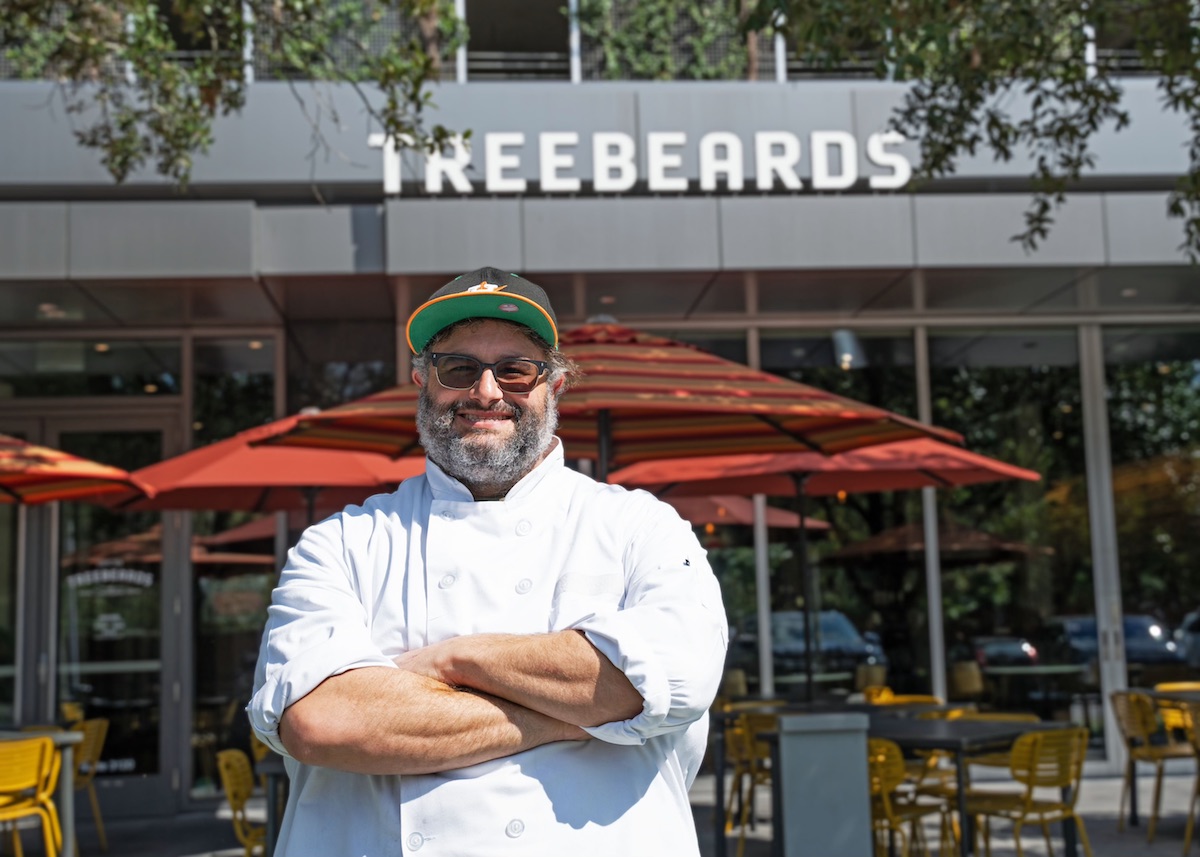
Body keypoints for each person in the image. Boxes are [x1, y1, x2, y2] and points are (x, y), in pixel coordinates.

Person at [248, 266, 729, 855]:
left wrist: (453, 660)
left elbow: (676, 678)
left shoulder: (641, 527)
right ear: (423, 382)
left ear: (553, 384)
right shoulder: (342, 543)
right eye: (458, 368)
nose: (486, 393)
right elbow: (323, 722)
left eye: (515, 369)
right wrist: (586, 712)